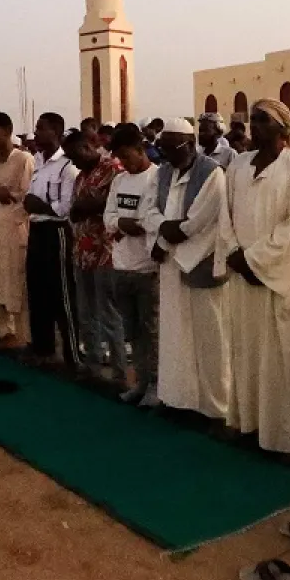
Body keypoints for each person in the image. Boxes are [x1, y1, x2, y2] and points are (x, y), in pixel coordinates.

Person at [219, 100, 290, 454]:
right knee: (246, 350)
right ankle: (249, 423)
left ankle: (286, 437)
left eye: (262, 121)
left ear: (282, 130)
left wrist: (256, 261)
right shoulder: (238, 165)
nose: (254, 127)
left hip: (283, 276)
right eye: (252, 121)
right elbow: (225, 217)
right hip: (245, 275)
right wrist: (236, 256)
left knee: (283, 356)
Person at [149, 117, 231, 422]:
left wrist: (166, 239)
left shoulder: (212, 173)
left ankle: (214, 409)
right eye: (163, 147)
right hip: (171, 266)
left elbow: (198, 221)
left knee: (210, 337)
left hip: (200, 261)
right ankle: (177, 400)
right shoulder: (162, 173)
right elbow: (150, 210)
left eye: (171, 147)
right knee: (174, 335)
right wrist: (162, 232)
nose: (166, 153)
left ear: (189, 143)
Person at [104, 123, 161, 406]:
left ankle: (157, 385)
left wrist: (124, 224)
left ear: (141, 150)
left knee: (152, 330)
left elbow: (148, 223)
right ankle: (140, 381)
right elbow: (109, 218)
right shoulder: (119, 180)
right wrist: (124, 223)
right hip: (122, 265)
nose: (123, 162)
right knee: (133, 331)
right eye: (120, 158)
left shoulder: (157, 178)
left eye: (127, 156)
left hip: (147, 268)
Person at [23, 113, 82, 367]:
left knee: (62, 294)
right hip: (35, 230)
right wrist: (31, 204)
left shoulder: (67, 167)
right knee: (37, 291)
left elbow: (66, 207)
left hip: (55, 232)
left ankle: (73, 355)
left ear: (55, 132)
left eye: (41, 128)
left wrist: (40, 206)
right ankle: (43, 348)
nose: (36, 133)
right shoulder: (38, 162)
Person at [65, 129, 123, 378]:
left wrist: (87, 206)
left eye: (75, 154)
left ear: (88, 147)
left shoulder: (113, 169)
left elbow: (115, 202)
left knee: (108, 314)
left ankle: (120, 373)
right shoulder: (80, 177)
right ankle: (93, 366)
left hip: (105, 251)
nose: (73, 161)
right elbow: (74, 210)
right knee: (86, 312)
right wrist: (81, 208)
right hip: (82, 251)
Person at [0, 112, 35, 348]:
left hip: (15, 227)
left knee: (16, 281)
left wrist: (8, 195)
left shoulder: (24, 159)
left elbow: (29, 196)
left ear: (7, 131)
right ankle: (4, 332)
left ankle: (23, 336)